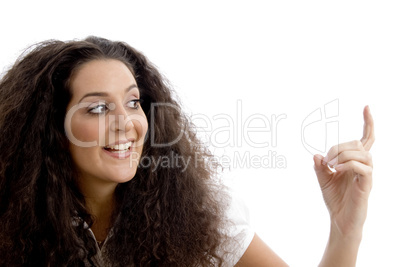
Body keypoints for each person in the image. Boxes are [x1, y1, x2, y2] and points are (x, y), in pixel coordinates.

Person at [0, 36, 374, 266]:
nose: (125, 123)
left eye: (133, 103)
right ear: (50, 129)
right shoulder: (11, 220)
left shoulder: (195, 213)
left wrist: (346, 230)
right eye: (98, 108)